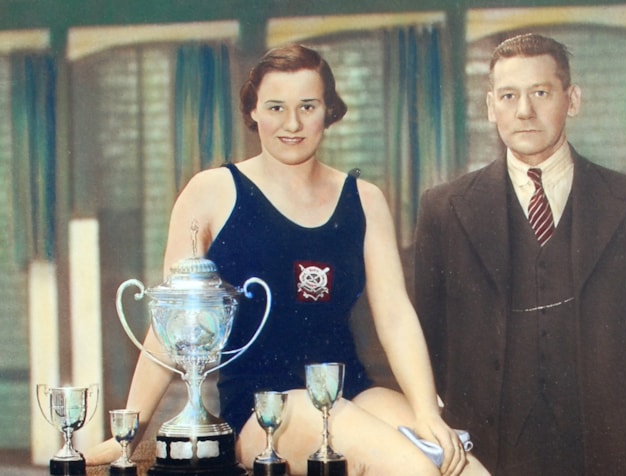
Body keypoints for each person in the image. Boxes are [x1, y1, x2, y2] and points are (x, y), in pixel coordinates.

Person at [86, 44, 468, 476]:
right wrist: (128, 434)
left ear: (329, 110)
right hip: (261, 410)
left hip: (352, 392)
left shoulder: (365, 199)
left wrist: (427, 414)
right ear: (252, 112)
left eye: (308, 106)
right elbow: (172, 329)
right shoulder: (210, 192)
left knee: (464, 467)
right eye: (275, 107)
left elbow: (395, 315)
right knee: (413, 467)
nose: (292, 123)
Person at [414, 33, 626, 476]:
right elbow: (427, 334)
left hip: (611, 452)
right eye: (508, 95)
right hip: (488, 454)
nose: (524, 111)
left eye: (540, 92)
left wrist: (608, 404)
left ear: (572, 99)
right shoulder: (444, 209)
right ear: (490, 107)